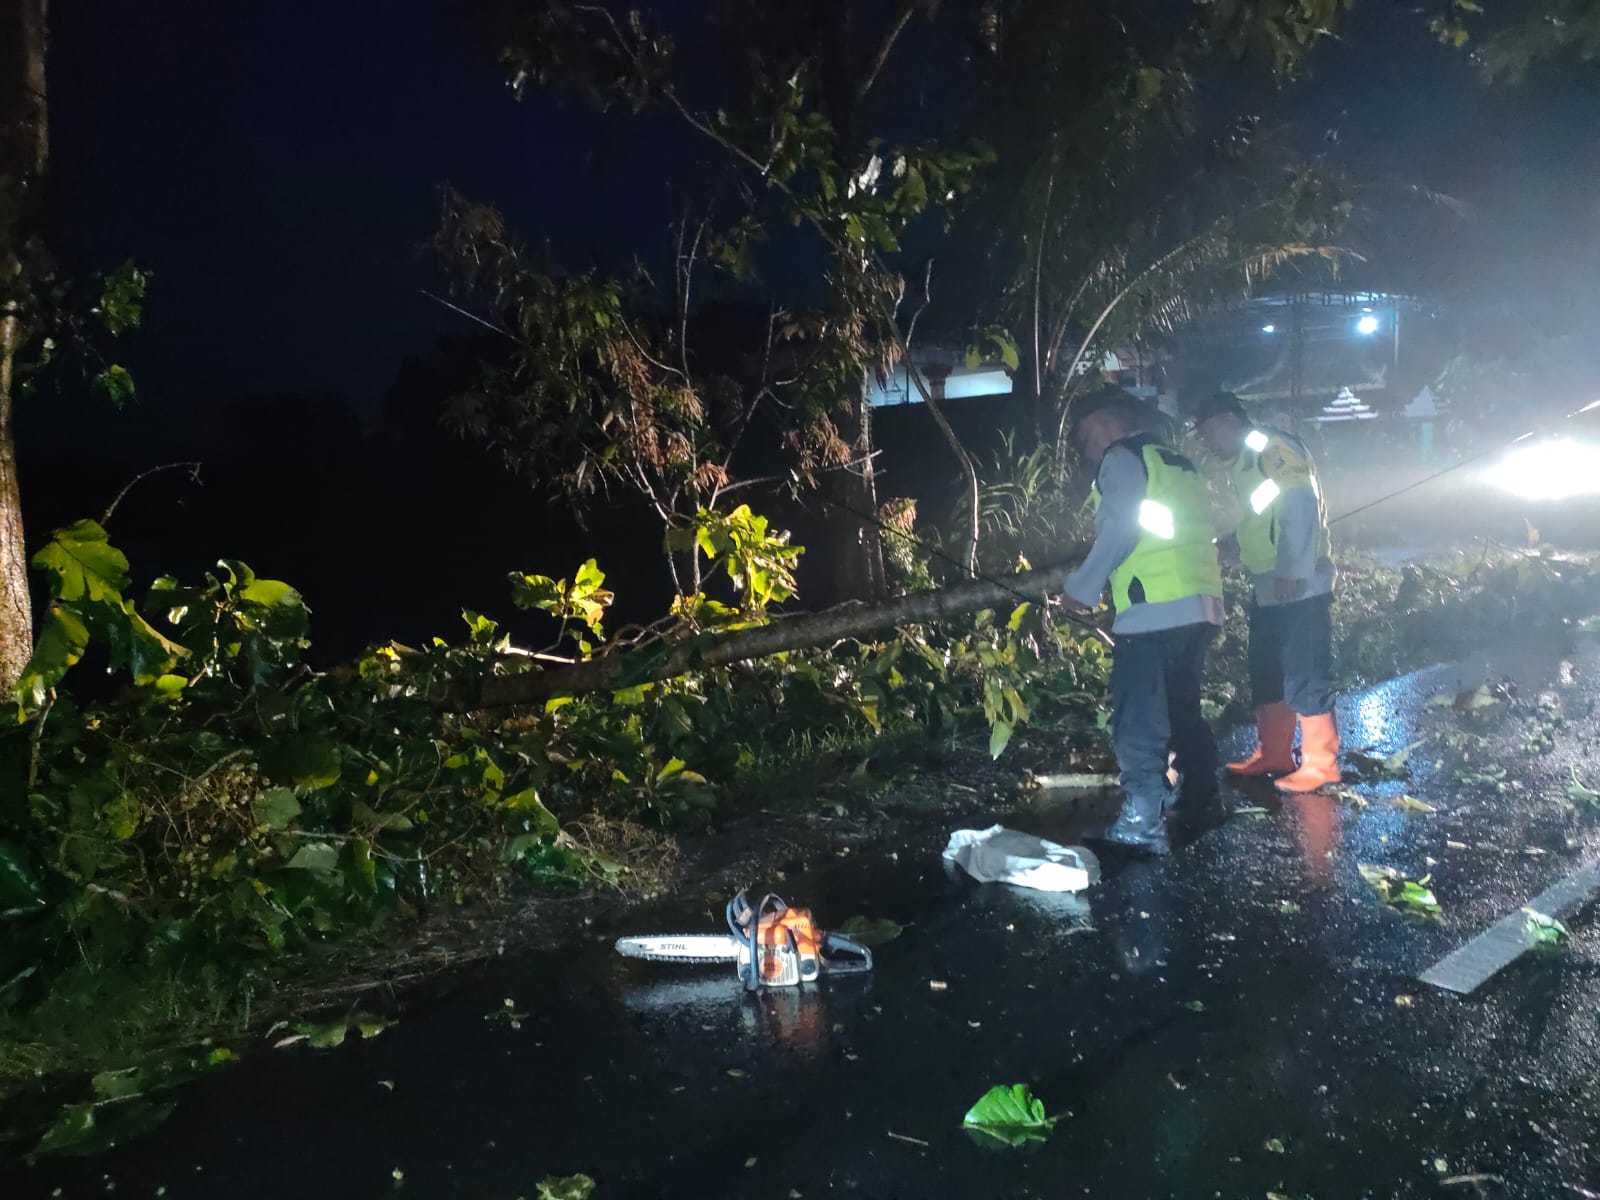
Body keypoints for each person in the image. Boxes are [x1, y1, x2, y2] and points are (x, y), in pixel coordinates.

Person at [1059, 386, 1225, 855]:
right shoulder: (1176, 461)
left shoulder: (1123, 457)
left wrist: (1081, 588)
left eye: (1084, 437)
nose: (1085, 450)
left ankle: (1142, 822)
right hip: (1200, 605)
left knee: (1137, 719)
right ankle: (1198, 798)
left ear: (1103, 425)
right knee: (1181, 709)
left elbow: (1121, 526)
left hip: (1151, 609)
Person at [1191, 391, 1340, 793]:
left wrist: (1293, 569)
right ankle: (1274, 753)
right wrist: (1232, 546)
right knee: (1268, 672)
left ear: (1227, 420)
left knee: (1305, 669)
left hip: (1298, 585)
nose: (1207, 444)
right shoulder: (1244, 464)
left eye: (1208, 434)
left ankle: (1321, 763)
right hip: (1269, 585)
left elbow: (1300, 505)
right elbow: (1260, 521)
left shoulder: (1272, 449)